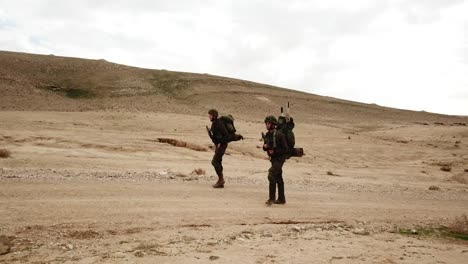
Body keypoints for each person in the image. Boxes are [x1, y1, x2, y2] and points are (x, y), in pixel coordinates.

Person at [263, 115, 289, 205]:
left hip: (279, 159)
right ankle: (282, 199)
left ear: (273, 124)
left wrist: (274, 151)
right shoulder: (268, 135)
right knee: (278, 178)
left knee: (271, 175)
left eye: (268, 123)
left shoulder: (279, 135)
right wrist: (265, 147)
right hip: (273, 159)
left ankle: (271, 199)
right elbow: (265, 147)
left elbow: (285, 149)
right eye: (266, 123)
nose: (267, 125)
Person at [208, 109, 230, 188]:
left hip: (222, 146)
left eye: (210, 115)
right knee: (219, 162)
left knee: (214, 162)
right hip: (218, 146)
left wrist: (220, 142)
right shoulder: (214, 124)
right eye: (209, 115)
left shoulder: (219, 123)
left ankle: (221, 179)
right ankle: (221, 181)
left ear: (214, 116)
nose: (209, 117)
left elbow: (226, 135)